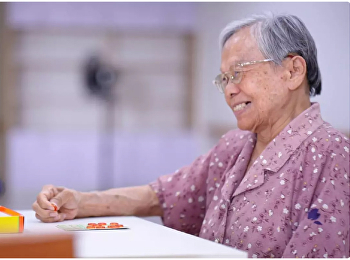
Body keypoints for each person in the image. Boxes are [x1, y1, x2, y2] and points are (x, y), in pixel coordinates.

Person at [33, 13, 349, 258]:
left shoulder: (334, 158)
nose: (229, 90)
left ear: (292, 71)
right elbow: (164, 195)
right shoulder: (235, 145)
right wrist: (80, 201)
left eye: (238, 72)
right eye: (224, 78)